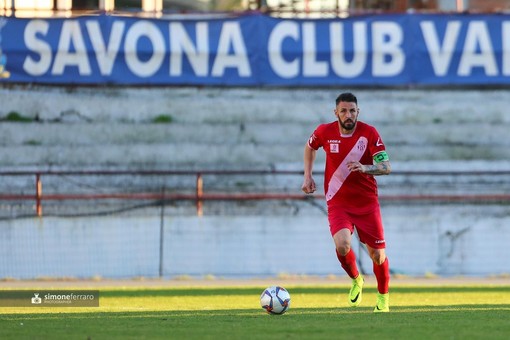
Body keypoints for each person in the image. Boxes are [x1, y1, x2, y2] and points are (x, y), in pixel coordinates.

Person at [301, 92, 391, 312]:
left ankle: (382, 298)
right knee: (342, 245)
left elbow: (386, 167)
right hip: (338, 201)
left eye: (352, 110)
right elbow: (310, 147)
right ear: (336, 113)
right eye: (344, 111)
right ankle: (356, 279)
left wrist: (366, 168)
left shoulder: (370, 133)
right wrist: (307, 175)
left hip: (367, 202)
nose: (348, 115)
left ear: (358, 111)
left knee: (378, 256)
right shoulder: (324, 131)